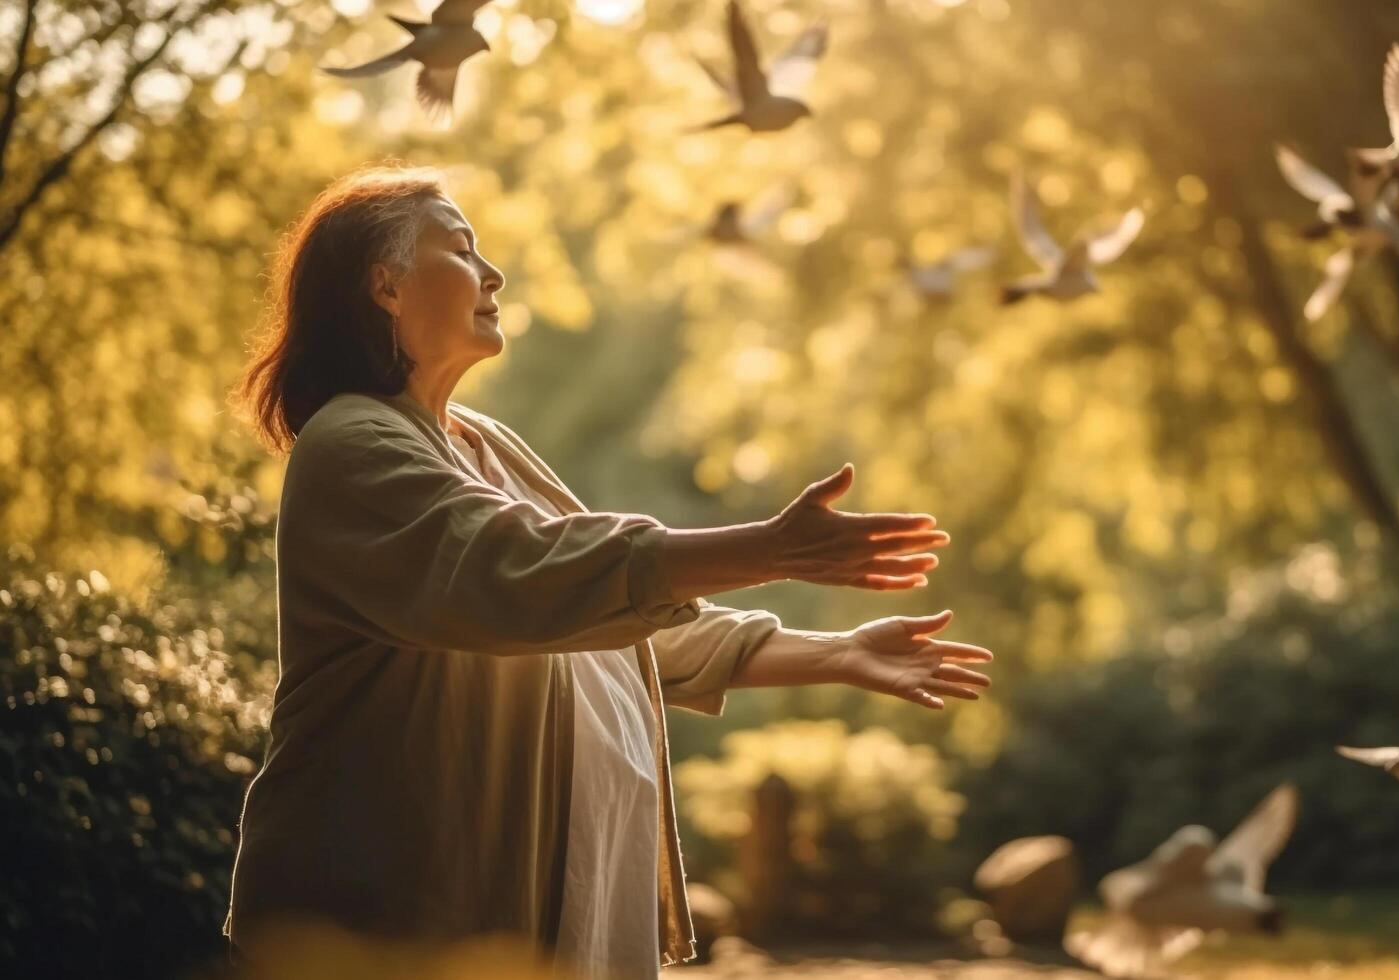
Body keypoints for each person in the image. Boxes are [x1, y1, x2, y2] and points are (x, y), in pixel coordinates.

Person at [222, 164, 994, 977]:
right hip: (384, 934)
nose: (494, 274)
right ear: (385, 284)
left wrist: (837, 654)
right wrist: (767, 548)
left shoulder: (485, 447)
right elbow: (521, 574)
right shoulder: (350, 444)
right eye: (460, 249)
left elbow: (608, 625)